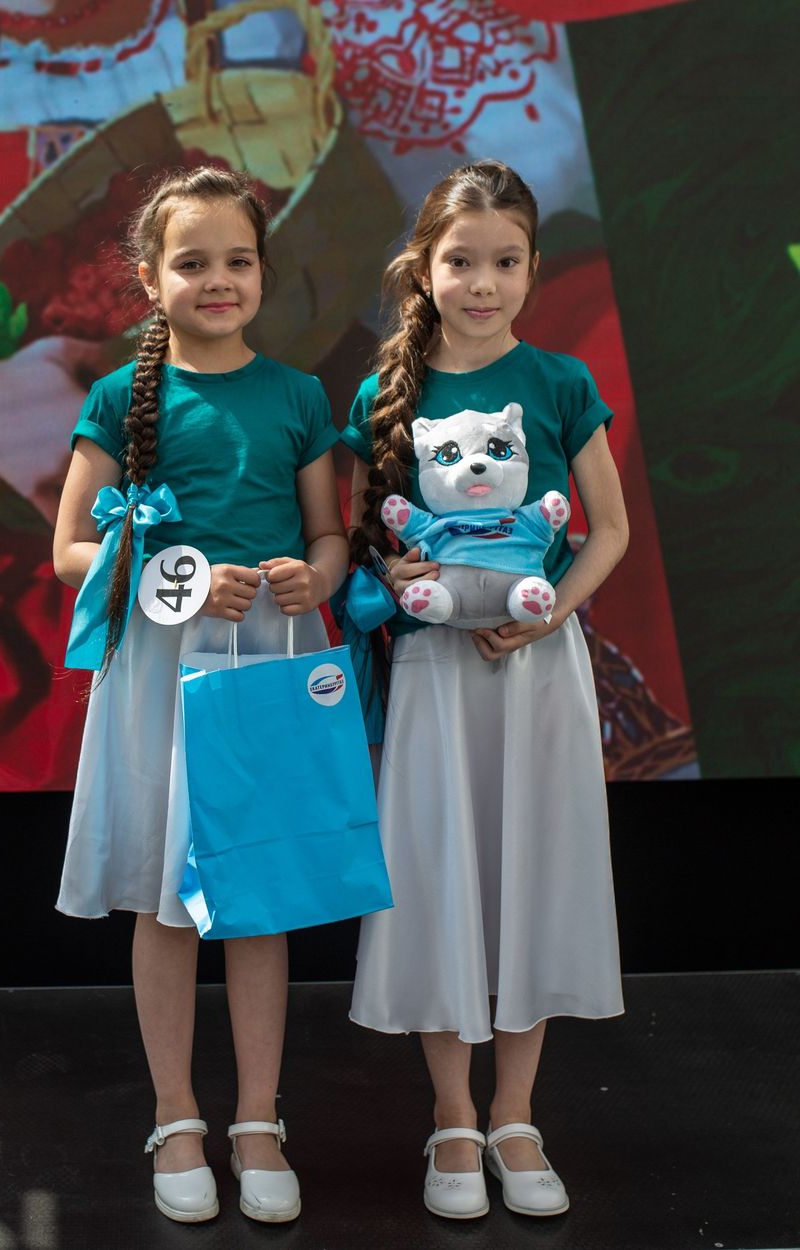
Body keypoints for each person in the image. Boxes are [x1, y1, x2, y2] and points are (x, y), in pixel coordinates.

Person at [52, 166, 348, 1224]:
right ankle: (176, 1115)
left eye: (238, 260)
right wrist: (177, 572)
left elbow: (327, 532)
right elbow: (70, 548)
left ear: (262, 272)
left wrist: (318, 576)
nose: (218, 279)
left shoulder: (298, 395)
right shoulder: (114, 398)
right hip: (161, 664)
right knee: (166, 899)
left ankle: (257, 1118)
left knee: (256, 892)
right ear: (149, 278)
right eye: (192, 262)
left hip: (268, 658)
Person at [344, 160, 627, 1220]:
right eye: (461, 261)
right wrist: (395, 573)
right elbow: (367, 541)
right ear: (425, 265)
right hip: (434, 674)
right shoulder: (384, 395)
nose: (482, 283)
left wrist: (549, 613)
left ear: (532, 269)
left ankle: (515, 1113)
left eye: (505, 262)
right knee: (439, 876)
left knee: (530, 873)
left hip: (536, 669)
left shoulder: (557, 383)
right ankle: (454, 1115)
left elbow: (609, 531)